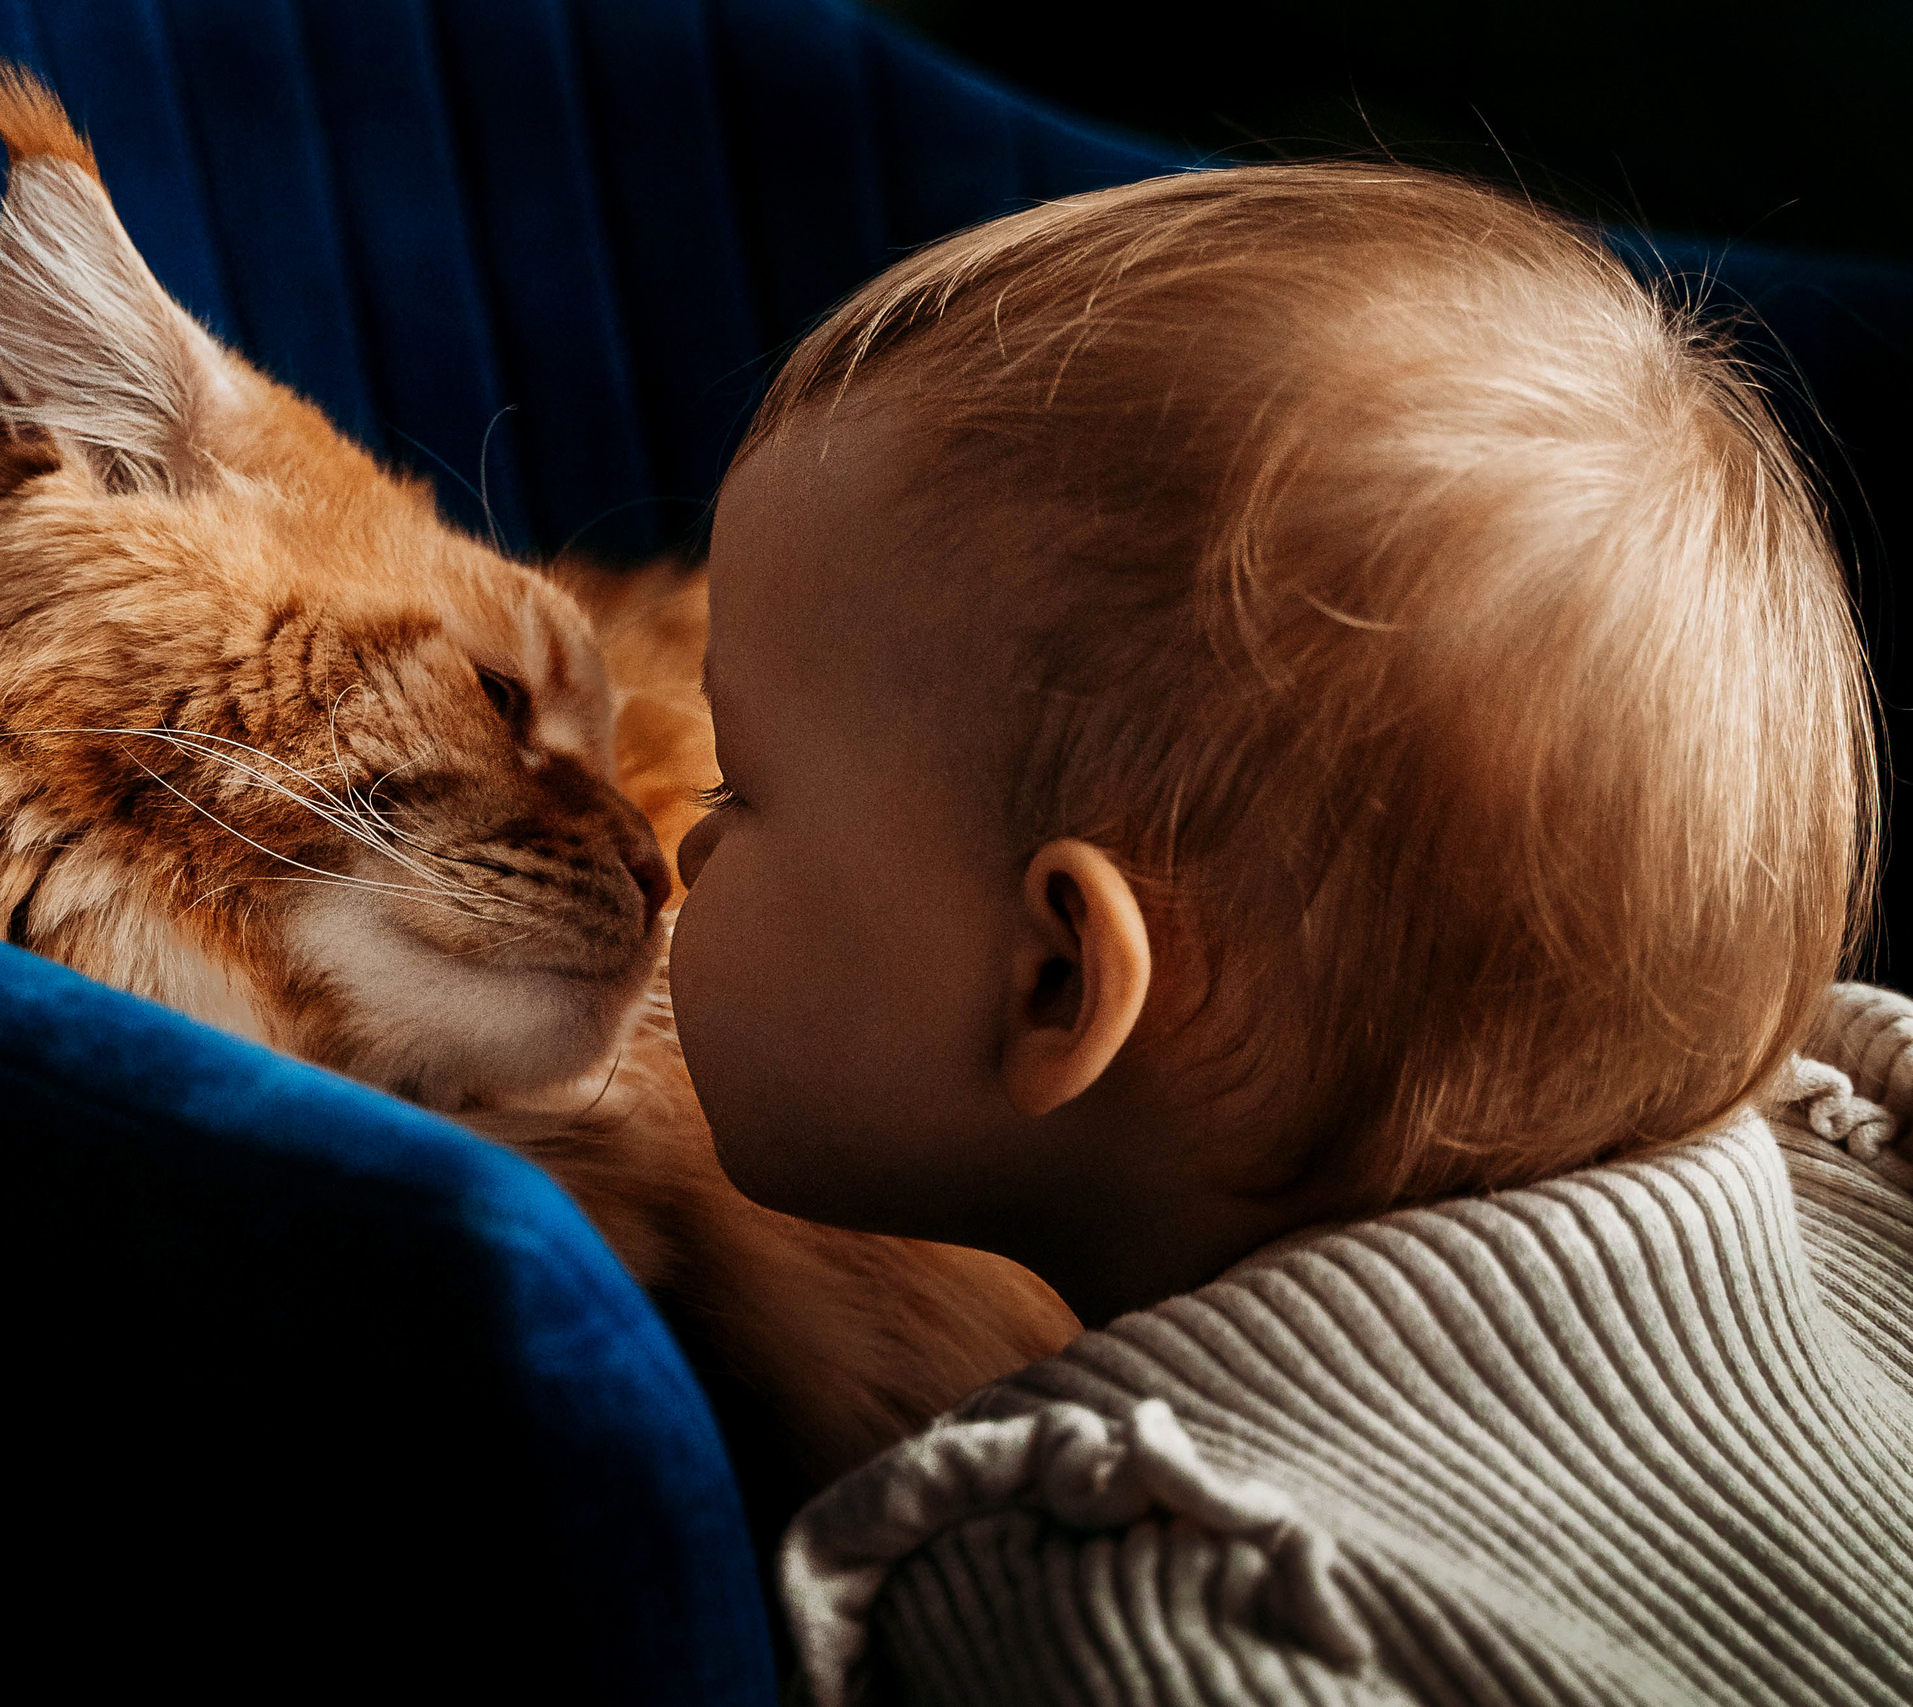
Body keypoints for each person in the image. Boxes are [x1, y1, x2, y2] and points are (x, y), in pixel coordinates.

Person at [665, 162, 1913, 1705]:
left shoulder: (1129, 1589)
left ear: (1059, 982)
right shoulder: (1867, 1147)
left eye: (738, 781)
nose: (682, 850)